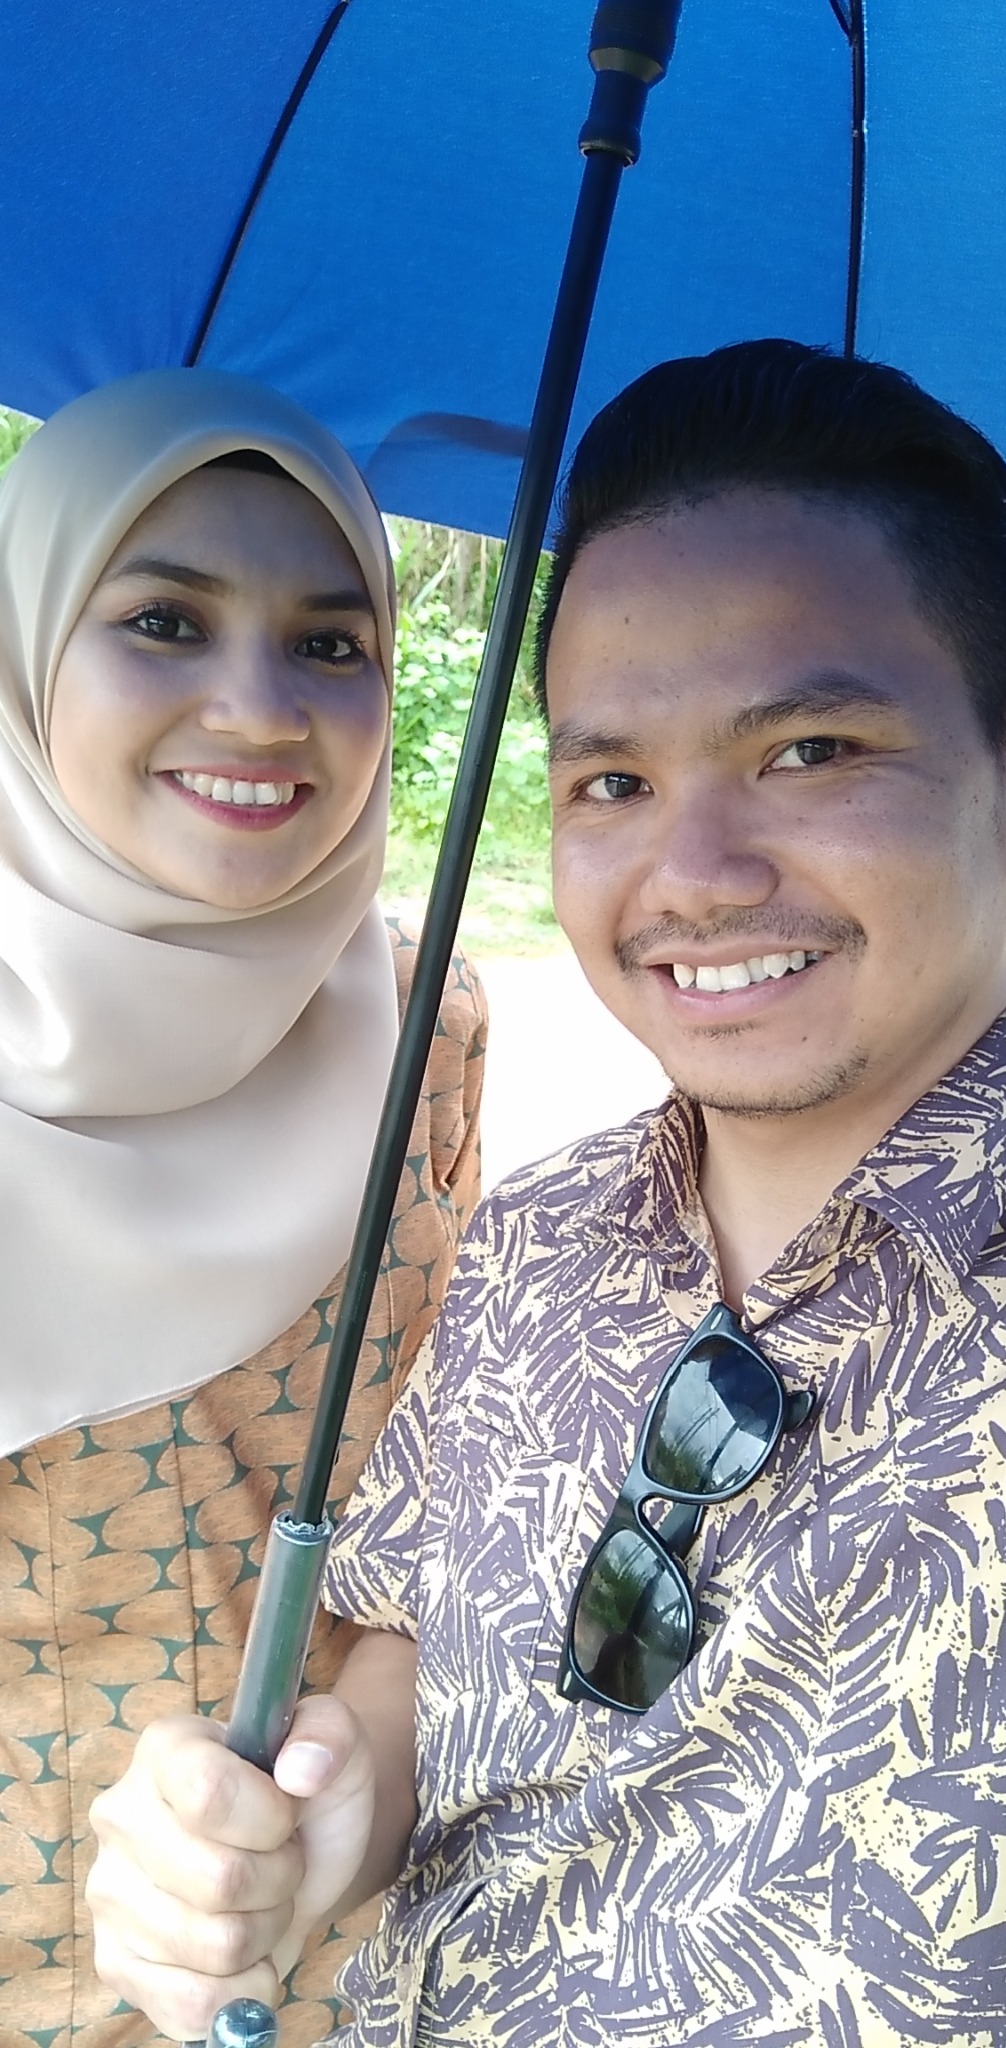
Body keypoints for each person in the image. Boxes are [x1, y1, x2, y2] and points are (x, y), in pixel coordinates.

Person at [88, 341, 1006, 2047]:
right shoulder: (540, 1236)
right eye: (613, 783)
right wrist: (327, 1818)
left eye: (810, 749)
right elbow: (417, 1646)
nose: (696, 877)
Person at [0, 369, 486, 2048]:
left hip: (329, 1949)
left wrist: (354, 1776)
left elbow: (443, 1508)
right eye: (164, 622)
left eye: (331, 644)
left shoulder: (428, 1024)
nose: (262, 709)